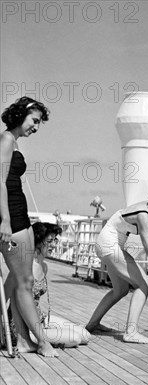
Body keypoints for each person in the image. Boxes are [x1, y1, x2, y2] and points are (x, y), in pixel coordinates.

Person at [85, 178, 148, 344]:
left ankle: (92, 324)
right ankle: (131, 332)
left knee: (120, 290)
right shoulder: (143, 215)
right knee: (144, 284)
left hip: (112, 244)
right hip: (109, 244)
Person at [0, 97, 58, 357]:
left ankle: (22, 339)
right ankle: (43, 341)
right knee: (25, 281)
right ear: (19, 115)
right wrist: (6, 221)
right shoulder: (5, 140)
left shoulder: (11, 141)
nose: (36, 127)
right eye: (34, 121)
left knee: (16, 281)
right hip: (12, 218)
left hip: (15, 216)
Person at [5, 222, 91, 348]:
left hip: (40, 318)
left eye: (55, 240)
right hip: (23, 327)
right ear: (38, 241)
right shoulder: (23, 266)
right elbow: (5, 294)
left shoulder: (44, 266)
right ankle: (36, 340)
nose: (54, 245)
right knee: (75, 338)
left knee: (85, 335)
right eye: (49, 241)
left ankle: (47, 336)